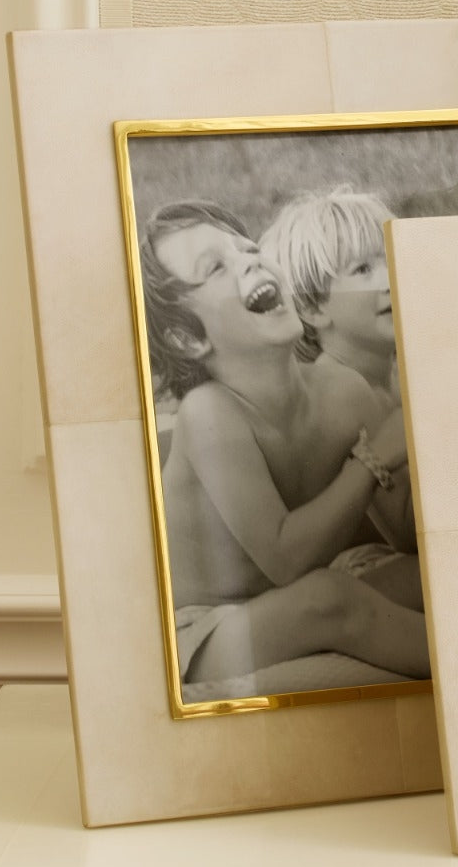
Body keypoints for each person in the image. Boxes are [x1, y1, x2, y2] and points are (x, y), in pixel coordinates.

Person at [140, 200, 429, 689]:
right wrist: (370, 462)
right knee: (328, 599)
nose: (247, 260)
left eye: (248, 248)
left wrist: (420, 428)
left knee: (427, 575)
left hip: (288, 599)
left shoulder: (343, 392)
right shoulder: (210, 413)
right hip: (205, 628)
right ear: (187, 340)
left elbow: (405, 535)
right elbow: (286, 560)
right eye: (215, 267)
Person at [259, 188, 418, 569]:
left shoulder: (396, 371)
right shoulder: (339, 390)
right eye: (363, 270)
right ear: (312, 308)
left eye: (392, 258)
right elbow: (411, 533)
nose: (390, 278)